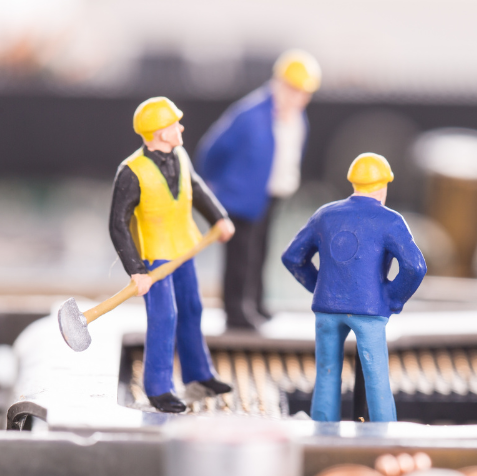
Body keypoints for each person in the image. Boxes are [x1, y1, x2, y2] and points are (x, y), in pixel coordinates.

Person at [109, 97, 236, 413]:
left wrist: (219, 217)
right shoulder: (131, 172)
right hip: (155, 260)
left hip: (185, 248)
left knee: (192, 309)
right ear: (159, 132)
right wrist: (136, 270)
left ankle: (199, 373)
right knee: (164, 317)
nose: (180, 128)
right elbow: (117, 225)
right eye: (173, 124)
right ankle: (159, 388)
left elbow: (196, 188)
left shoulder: (180, 155)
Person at [281, 153, 427, 422]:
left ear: (354, 184)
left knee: (326, 371)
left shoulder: (325, 215)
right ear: (382, 186)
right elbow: (415, 266)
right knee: (376, 376)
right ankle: (384, 435)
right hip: (369, 311)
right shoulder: (390, 220)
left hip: (326, 309)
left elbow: (292, 257)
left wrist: (319, 287)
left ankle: (322, 430)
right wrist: (391, 298)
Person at [196, 49, 320, 330]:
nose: (298, 97)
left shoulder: (297, 119)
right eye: (293, 90)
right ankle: (236, 309)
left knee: (261, 251)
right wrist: (216, 184)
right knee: (241, 255)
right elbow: (213, 150)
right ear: (278, 83)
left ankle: (255, 302)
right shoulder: (250, 115)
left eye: (304, 92)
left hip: (271, 195)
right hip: (241, 198)